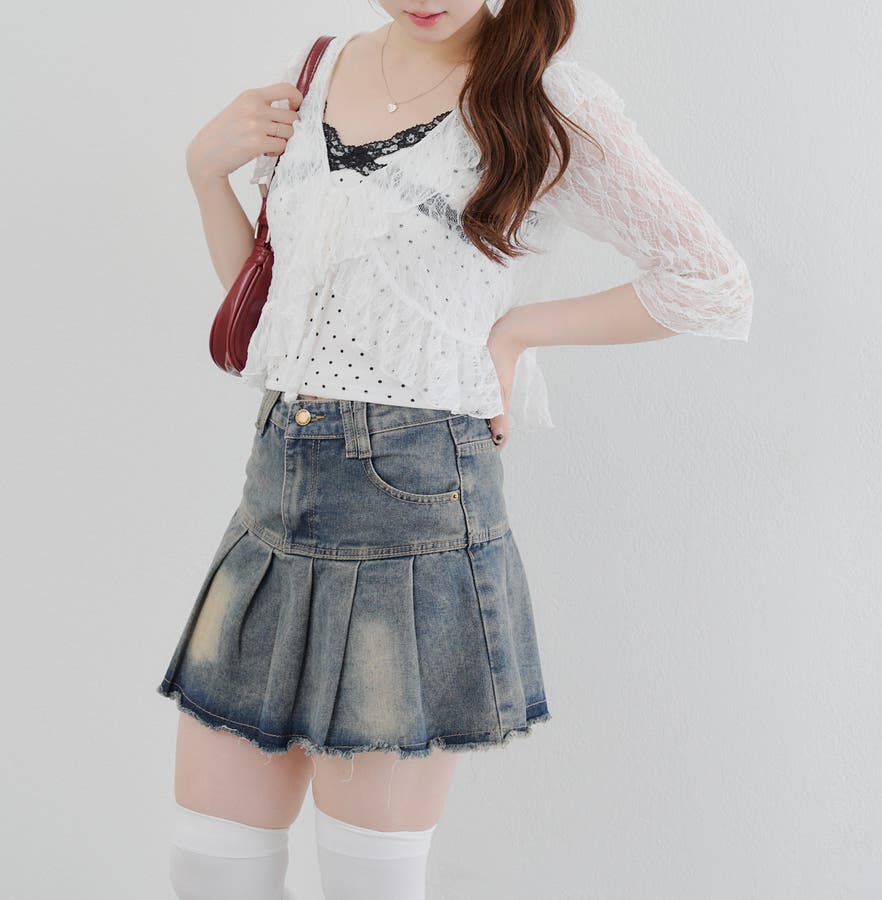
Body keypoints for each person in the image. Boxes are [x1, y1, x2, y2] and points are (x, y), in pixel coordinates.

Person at [157, 2, 754, 898]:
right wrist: (207, 176)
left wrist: (516, 333)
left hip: (417, 501)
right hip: (273, 497)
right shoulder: (316, 68)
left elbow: (711, 280)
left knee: (367, 881)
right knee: (211, 866)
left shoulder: (547, 99)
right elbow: (276, 304)